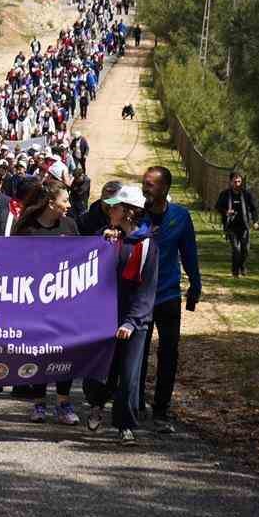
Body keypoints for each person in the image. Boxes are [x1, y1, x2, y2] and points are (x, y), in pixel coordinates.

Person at [81, 184, 155, 445]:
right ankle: (96, 405)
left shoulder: (146, 244)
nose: (109, 210)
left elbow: (146, 290)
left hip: (134, 321)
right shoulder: (108, 237)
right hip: (104, 317)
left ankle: (125, 425)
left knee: (128, 375)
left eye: (115, 207)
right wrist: (101, 242)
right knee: (99, 368)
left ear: (128, 212)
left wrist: (132, 322)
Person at [11, 180, 81, 425]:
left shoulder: (70, 225)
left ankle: (64, 403)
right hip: (35, 303)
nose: (69, 205)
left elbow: (83, 257)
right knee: (39, 352)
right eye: (65, 200)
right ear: (51, 203)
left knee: (65, 351)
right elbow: (11, 260)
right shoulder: (26, 228)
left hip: (66, 302)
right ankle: (39, 403)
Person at [139, 166, 202, 434]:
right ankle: (135, 403)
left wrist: (195, 285)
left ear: (165, 188)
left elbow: (189, 253)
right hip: (139, 297)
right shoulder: (136, 214)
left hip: (168, 296)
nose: (145, 188)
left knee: (168, 354)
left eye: (150, 184)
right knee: (137, 353)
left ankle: (161, 410)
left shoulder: (180, 216)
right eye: (144, 183)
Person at [215, 171, 259, 278]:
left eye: (239, 181)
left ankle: (242, 266)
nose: (237, 183)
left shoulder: (246, 195)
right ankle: (235, 272)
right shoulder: (225, 194)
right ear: (230, 182)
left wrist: (255, 221)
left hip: (244, 226)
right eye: (235, 181)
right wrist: (226, 212)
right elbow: (218, 207)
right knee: (236, 249)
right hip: (231, 226)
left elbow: (253, 209)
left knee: (245, 250)